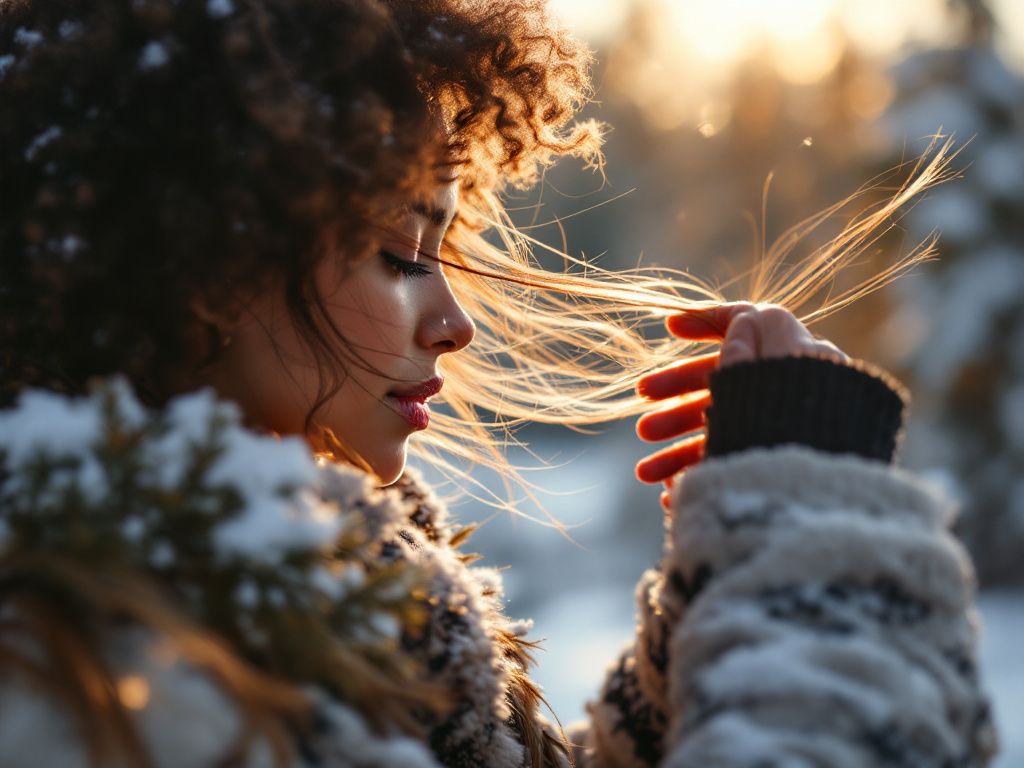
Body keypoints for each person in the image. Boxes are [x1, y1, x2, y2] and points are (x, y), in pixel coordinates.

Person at [0, 0, 997, 766]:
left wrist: (731, 588)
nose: (456, 321)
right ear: (195, 260)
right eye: (399, 253)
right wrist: (821, 573)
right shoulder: (108, 669)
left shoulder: (280, 609)